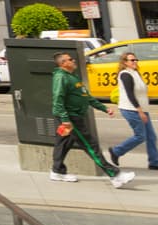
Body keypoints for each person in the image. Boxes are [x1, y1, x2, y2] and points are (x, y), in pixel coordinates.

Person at [50, 52, 133, 188]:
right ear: (63, 63)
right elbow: (57, 99)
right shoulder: (61, 77)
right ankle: (115, 175)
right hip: (71, 118)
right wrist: (65, 119)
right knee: (90, 145)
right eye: (70, 59)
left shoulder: (71, 77)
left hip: (72, 116)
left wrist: (104, 108)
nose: (74, 60)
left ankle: (57, 171)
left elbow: (86, 97)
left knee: (63, 144)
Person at [109, 51, 158, 170]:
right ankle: (116, 151)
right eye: (132, 60)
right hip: (131, 109)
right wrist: (140, 111)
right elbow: (130, 94)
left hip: (141, 109)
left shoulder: (135, 73)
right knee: (140, 136)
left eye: (136, 60)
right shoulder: (125, 74)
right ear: (125, 62)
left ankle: (154, 162)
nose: (135, 62)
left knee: (151, 136)